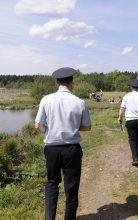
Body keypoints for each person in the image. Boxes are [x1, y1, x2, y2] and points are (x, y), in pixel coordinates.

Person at [35, 67, 91, 220]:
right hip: (72, 149)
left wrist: (50, 132)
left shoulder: (46, 100)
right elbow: (87, 127)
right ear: (71, 82)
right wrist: (72, 127)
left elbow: (38, 125)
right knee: (71, 189)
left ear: (57, 83)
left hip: (52, 149)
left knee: (52, 184)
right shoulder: (79, 102)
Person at [118, 79, 138, 166]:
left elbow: (122, 109)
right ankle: (137, 153)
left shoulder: (126, 96)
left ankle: (135, 158)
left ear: (131, 87)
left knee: (132, 139)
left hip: (130, 121)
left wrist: (120, 118)